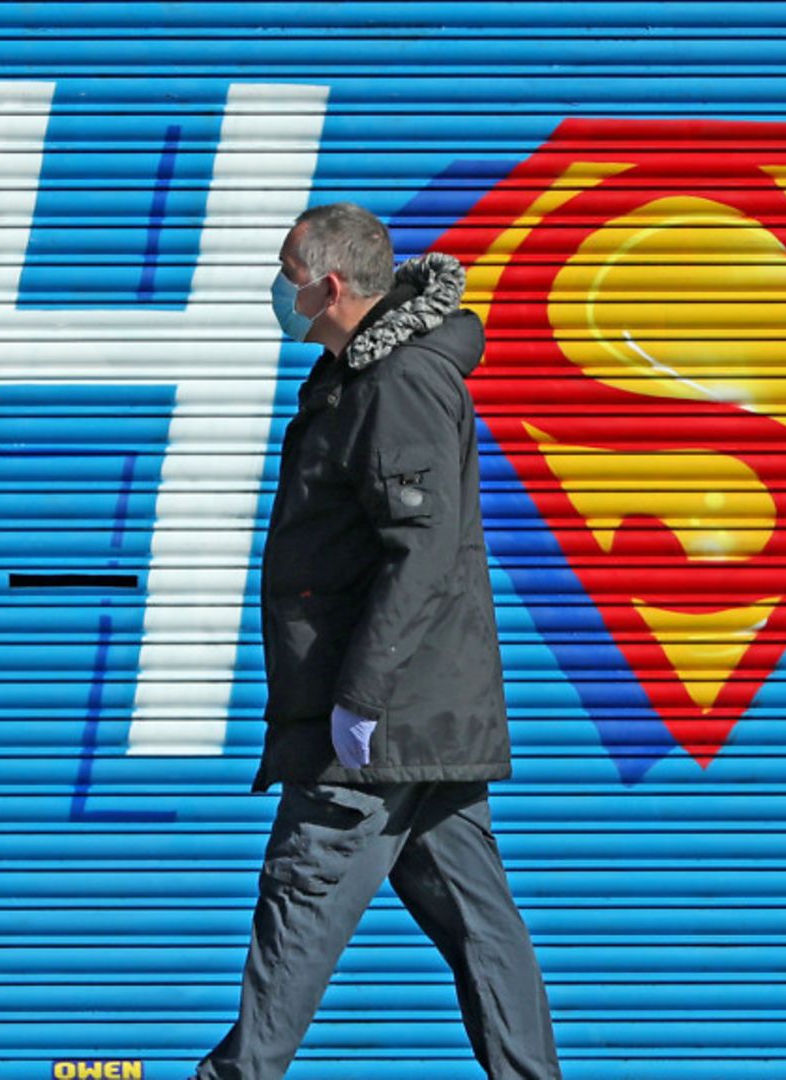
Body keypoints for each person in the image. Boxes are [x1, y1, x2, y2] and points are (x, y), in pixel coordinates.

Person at [192, 203, 562, 1080]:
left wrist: (358, 698)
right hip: (415, 717)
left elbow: (423, 552)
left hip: (378, 719)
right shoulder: (358, 375)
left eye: (286, 273)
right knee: (479, 921)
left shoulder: (397, 382)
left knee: (302, 896)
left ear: (326, 284)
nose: (278, 292)